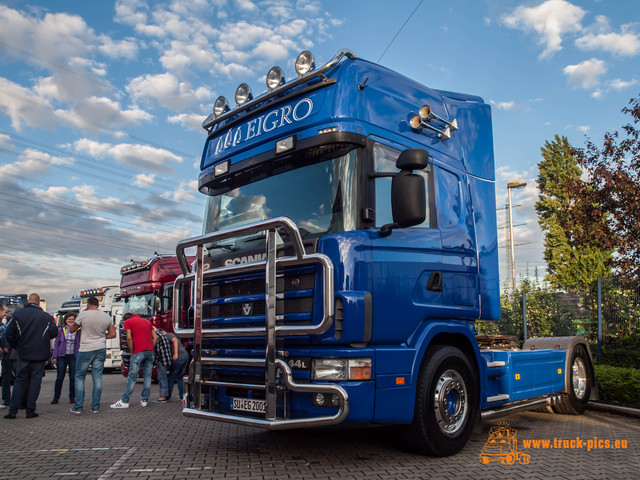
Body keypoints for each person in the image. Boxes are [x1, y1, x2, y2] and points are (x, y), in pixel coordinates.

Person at [4, 293, 58, 419]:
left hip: (23, 353)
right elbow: (54, 332)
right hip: (39, 354)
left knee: (19, 381)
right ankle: (30, 410)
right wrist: (43, 340)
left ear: (28, 301)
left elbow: (9, 333)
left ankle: (13, 411)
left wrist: (17, 345)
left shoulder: (18, 315)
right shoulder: (46, 316)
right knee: (35, 382)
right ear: (39, 303)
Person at [69, 296, 116, 414]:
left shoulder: (83, 315)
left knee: (80, 376)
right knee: (97, 377)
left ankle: (78, 406)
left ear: (88, 305)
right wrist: (101, 336)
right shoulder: (106, 317)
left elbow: (71, 330)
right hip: (100, 348)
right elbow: (112, 334)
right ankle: (95, 407)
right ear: (98, 305)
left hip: (86, 349)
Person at [111, 312, 156, 409]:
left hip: (138, 351)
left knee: (132, 377)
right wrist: (151, 347)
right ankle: (144, 400)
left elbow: (128, 337)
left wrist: (132, 352)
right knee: (147, 377)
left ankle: (125, 401)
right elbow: (155, 337)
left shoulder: (128, 322)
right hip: (149, 351)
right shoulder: (147, 322)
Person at [51, 312, 81, 404]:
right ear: (65, 320)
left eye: (72, 320)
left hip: (73, 356)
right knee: (60, 376)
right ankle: (56, 397)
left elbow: (80, 342)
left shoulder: (78, 330)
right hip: (62, 356)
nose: (70, 321)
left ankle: (72, 397)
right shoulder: (61, 329)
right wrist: (54, 356)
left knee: (73, 377)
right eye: (69, 319)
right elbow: (56, 343)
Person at [155, 329, 189, 403]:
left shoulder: (168, 335)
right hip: (185, 356)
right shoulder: (169, 335)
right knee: (180, 377)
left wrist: (175, 353)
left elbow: (174, 340)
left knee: (171, 377)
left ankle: (167, 396)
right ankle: (181, 396)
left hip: (179, 357)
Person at [153, 327, 172, 404]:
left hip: (161, 360)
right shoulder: (162, 334)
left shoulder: (156, 335)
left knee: (161, 378)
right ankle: (165, 395)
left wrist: (156, 358)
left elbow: (157, 349)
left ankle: (163, 397)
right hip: (166, 359)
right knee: (163, 377)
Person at [0, 304, 10, 408]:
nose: (5, 314)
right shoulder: (3, 328)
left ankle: (6, 399)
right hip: (7, 357)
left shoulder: (2, 326)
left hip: (5, 357)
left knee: (5, 378)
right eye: (4, 312)